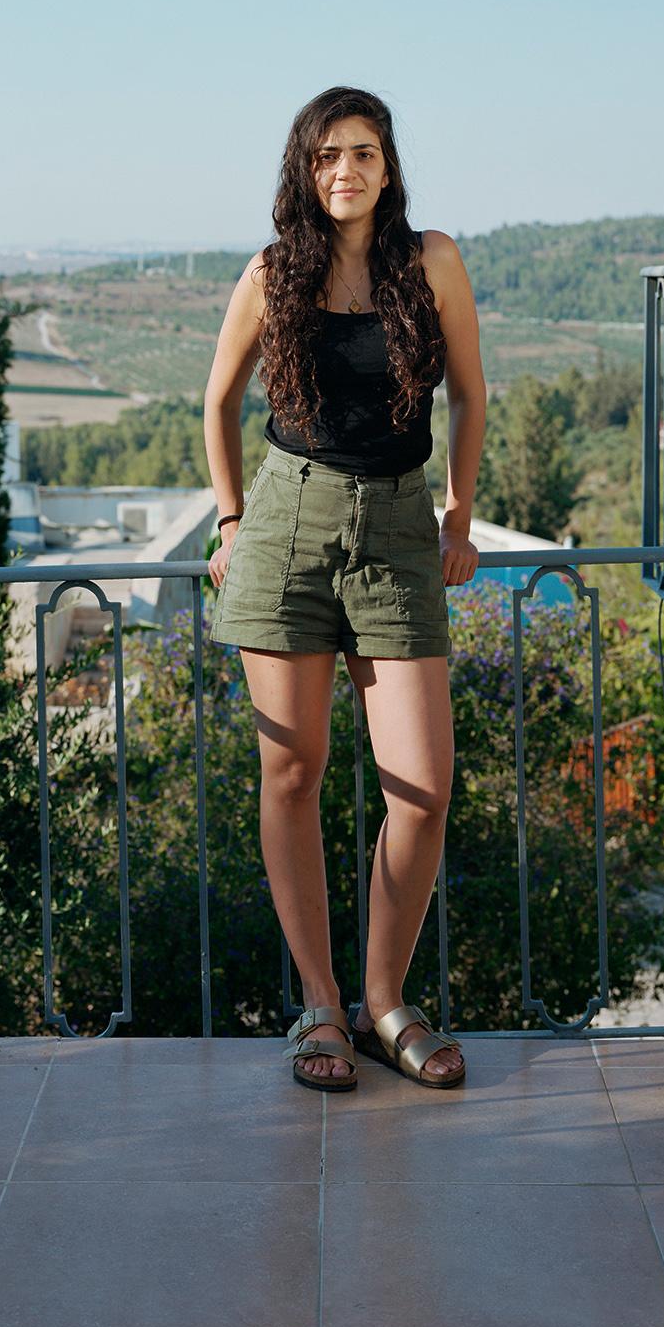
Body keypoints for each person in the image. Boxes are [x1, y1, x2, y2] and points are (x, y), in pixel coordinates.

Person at [203, 87, 486, 1090]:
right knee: (293, 770)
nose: (344, 172)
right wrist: (233, 523)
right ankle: (320, 1008)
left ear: (387, 165)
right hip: (287, 521)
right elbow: (219, 398)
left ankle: (383, 999)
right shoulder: (273, 271)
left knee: (422, 786)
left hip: (401, 530)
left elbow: (469, 396)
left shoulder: (431, 261)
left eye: (361, 153)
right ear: (304, 168)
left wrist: (459, 515)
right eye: (326, 156)